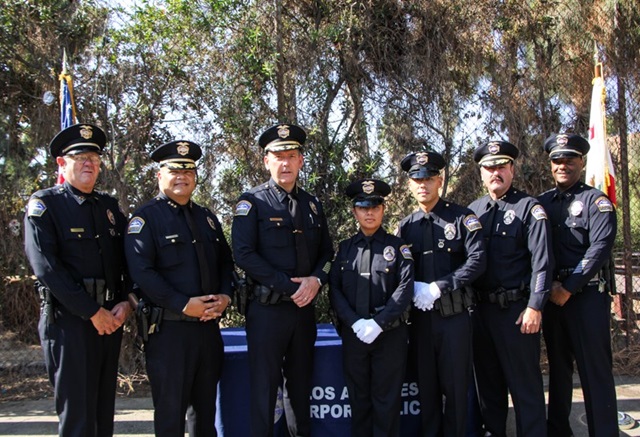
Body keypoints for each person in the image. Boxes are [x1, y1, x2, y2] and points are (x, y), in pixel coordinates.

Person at [24, 123, 131, 437]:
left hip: (110, 320)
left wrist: (125, 301)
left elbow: (127, 260)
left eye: (94, 159)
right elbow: (46, 268)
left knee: (102, 415)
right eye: (80, 156)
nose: (89, 164)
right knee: (77, 418)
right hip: (69, 321)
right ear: (61, 163)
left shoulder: (109, 208)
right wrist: (92, 312)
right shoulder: (45, 205)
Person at [124, 141, 233, 436]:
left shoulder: (207, 218)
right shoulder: (145, 218)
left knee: (205, 414)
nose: (182, 176)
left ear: (196, 176)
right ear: (160, 175)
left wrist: (225, 296)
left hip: (207, 331)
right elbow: (142, 273)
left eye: (188, 170)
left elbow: (225, 263)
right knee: (170, 416)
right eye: (174, 170)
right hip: (169, 334)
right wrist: (184, 303)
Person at [232, 123, 334, 437]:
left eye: (291, 155)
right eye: (278, 156)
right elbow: (244, 255)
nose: (285, 163)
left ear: (301, 161)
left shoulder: (312, 205)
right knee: (264, 391)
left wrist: (316, 281)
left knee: (300, 390)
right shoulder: (252, 202)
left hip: (303, 313)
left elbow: (328, 254)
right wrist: (292, 287)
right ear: (266, 161)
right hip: (267, 312)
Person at [396, 152, 486, 436]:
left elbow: (477, 261)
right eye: (417, 179)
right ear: (410, 184)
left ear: (440, 180)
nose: (423, 184)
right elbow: (398, 271)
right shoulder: (405, 226)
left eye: (429, 178)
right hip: (421, 322)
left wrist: (440, 286)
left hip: (454, 319)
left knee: (457, 391)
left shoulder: (462, 218)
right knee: (427, 391)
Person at [468, 141, 552, 437]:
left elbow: (542, 263)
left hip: (516, 313)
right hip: (480, 313)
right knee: (488, 388)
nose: (496, 172)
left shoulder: (529, 208)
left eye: (501, 166)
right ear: (481, 173)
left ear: (512, 170)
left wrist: (535, 306)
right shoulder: (473, 211)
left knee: (525, 387)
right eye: (489, 168)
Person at [538, 133, 618, 436]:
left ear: (581, 162)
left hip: (585, 298)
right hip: (553, 299)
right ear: (550, 164)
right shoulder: (542, 203)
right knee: (558, 371)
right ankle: (558, 430)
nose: (563, 165)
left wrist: (568, 287)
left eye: (569, 159)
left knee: (594, 371)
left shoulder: (596, 202)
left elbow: (599, 249)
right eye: (557, 160)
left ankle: (604, 431)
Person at [329, 178, 414, 437]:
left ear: (383, 210)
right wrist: (355, 323)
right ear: (354, 211)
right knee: (359, 401)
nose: (369, 212)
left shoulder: (398, 248)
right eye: (363, 207)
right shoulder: (344, 249)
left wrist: (379, 323)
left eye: (375, 207)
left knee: (386, 403)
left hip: (389, 336)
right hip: (355, 336)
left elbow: (405, 289)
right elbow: (335, 290)